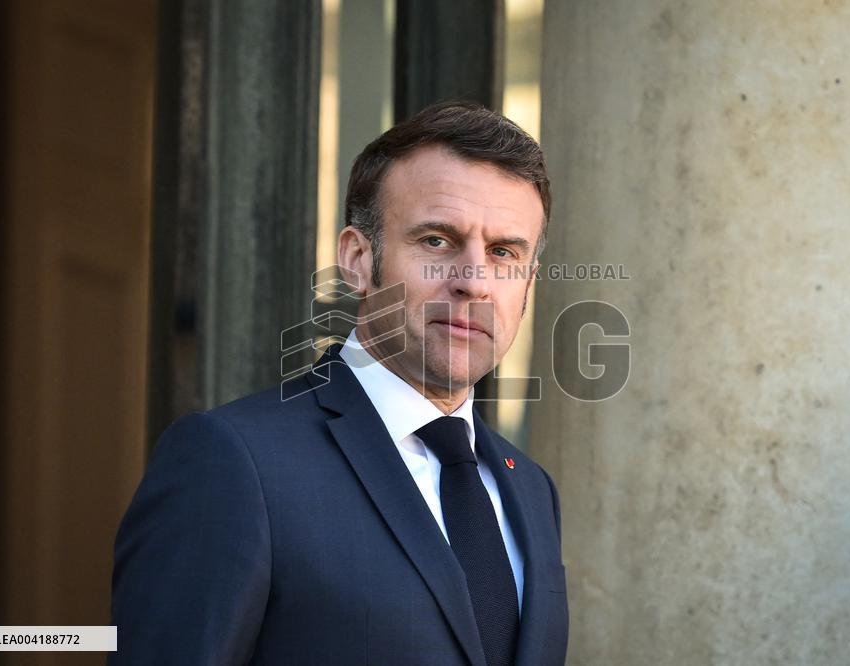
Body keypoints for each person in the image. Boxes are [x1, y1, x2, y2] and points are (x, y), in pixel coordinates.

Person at [110, 101, 568, 665]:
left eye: (503, 253)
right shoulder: (233, 462)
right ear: (356, 259)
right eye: (436, 241)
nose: (473, 281)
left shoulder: (532, 491)